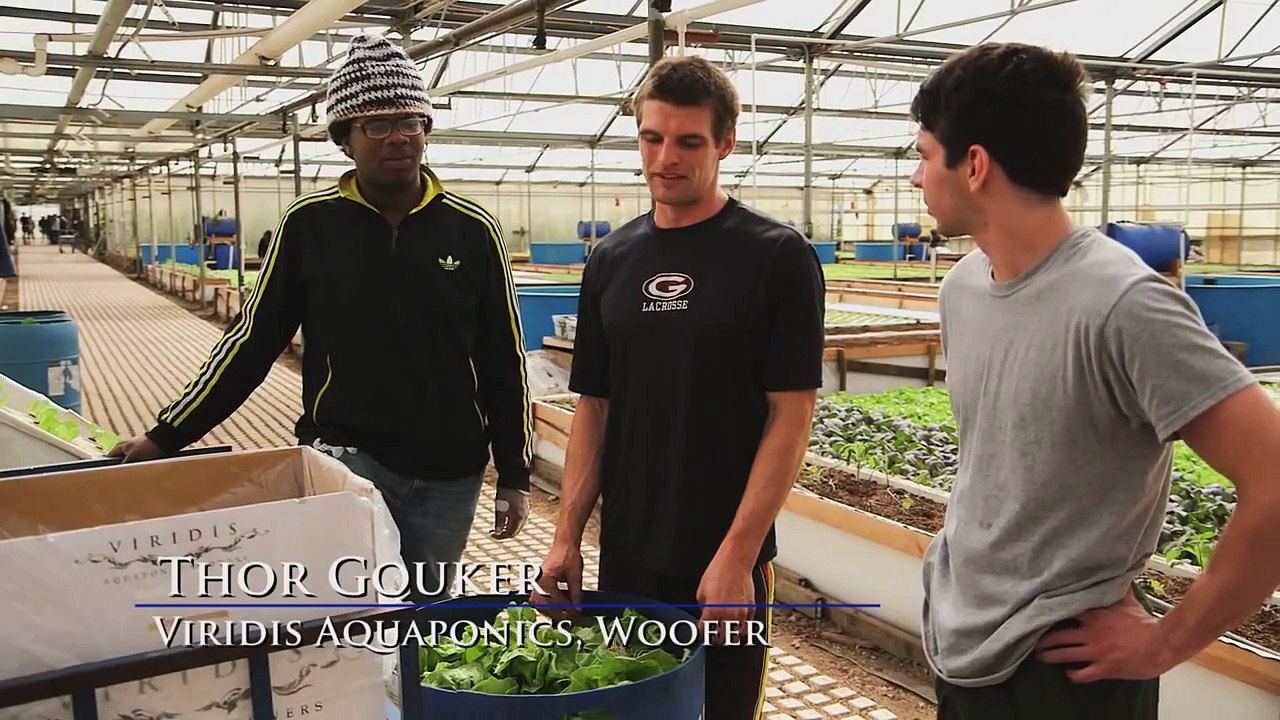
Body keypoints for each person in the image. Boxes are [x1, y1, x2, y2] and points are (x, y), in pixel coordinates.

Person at [908, 42, 1280, 719]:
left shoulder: (1124, 303)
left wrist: (1166, 641)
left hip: (1068, 673)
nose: (914, 178)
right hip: (961, 644)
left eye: (924, 155)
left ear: (975, 166)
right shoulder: (963, 287)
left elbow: (1276, 477)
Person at [109, 33, 535, 605]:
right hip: (346, 459)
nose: (398, 138)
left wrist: (513, 473)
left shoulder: (472, 229)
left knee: (424, 616)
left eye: (410, 121)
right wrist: (168, 435)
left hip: (450, 472)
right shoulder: (310, 227)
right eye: (377, 125)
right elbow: (253, 342)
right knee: (349, 611)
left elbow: (503, 358)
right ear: (345, 140)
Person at [532, 55, 826, 719]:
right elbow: (596, 408)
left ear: (725, 143)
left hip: (723, 562)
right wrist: (565, 537)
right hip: (629, 555)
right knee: (628, 708)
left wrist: (737, 556)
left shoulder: (775, 257)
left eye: (689, 141)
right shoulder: (612, 259)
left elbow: (790, 416)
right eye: (651, 137)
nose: (666, 157)